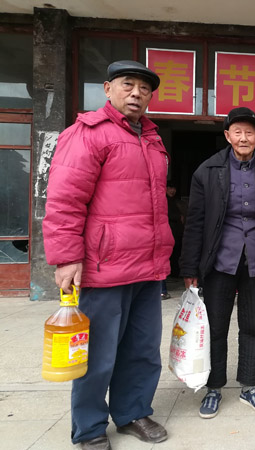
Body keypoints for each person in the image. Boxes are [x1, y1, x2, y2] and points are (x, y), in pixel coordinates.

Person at [43, 60, 173, 450]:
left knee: (142, 350)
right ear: (107, 88)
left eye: (144, 89)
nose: (136, 93)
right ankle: (89, 428)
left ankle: (133, 412)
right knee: (98, 354)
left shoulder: (152, 138)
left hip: (148, 265)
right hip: (104, 265)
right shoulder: (88, 133)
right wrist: (67, 257)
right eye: (127, 85)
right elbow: (65, 200)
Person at [179, 106, 255, 419]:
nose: (244, 138)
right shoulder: (207, 171)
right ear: (227, 136)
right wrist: (189, 267)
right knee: (215, 325)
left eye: (250, 132)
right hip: (220, 261)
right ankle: (214, 387)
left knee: (253, 325)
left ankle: (250, 386)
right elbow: (195, 222)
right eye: (238, 132)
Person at [161, 182, 184, 300]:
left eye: (173, 188)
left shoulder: (176, 201)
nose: (172, 190)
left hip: (176, 233)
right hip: (167, 233)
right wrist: (178, 217)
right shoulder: (162, 200)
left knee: (176, 253)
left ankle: (175, 273)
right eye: (169, 188)